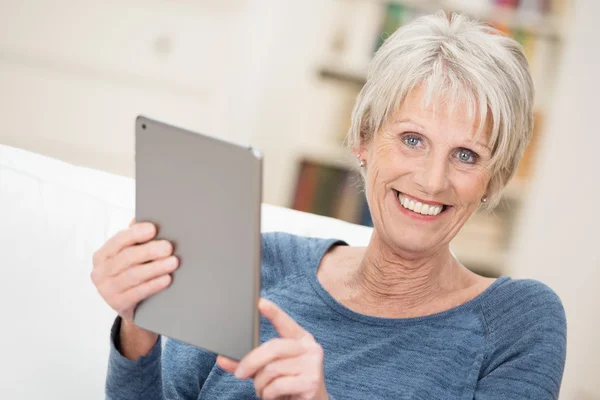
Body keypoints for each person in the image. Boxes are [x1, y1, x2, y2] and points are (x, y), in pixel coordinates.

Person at [92, 11, 566, 400]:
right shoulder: (261, 266)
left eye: (466, 155)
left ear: (493, 178)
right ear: (363, 140)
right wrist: (139, 327)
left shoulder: (517, 322)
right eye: (411, 139)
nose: (432, 179)